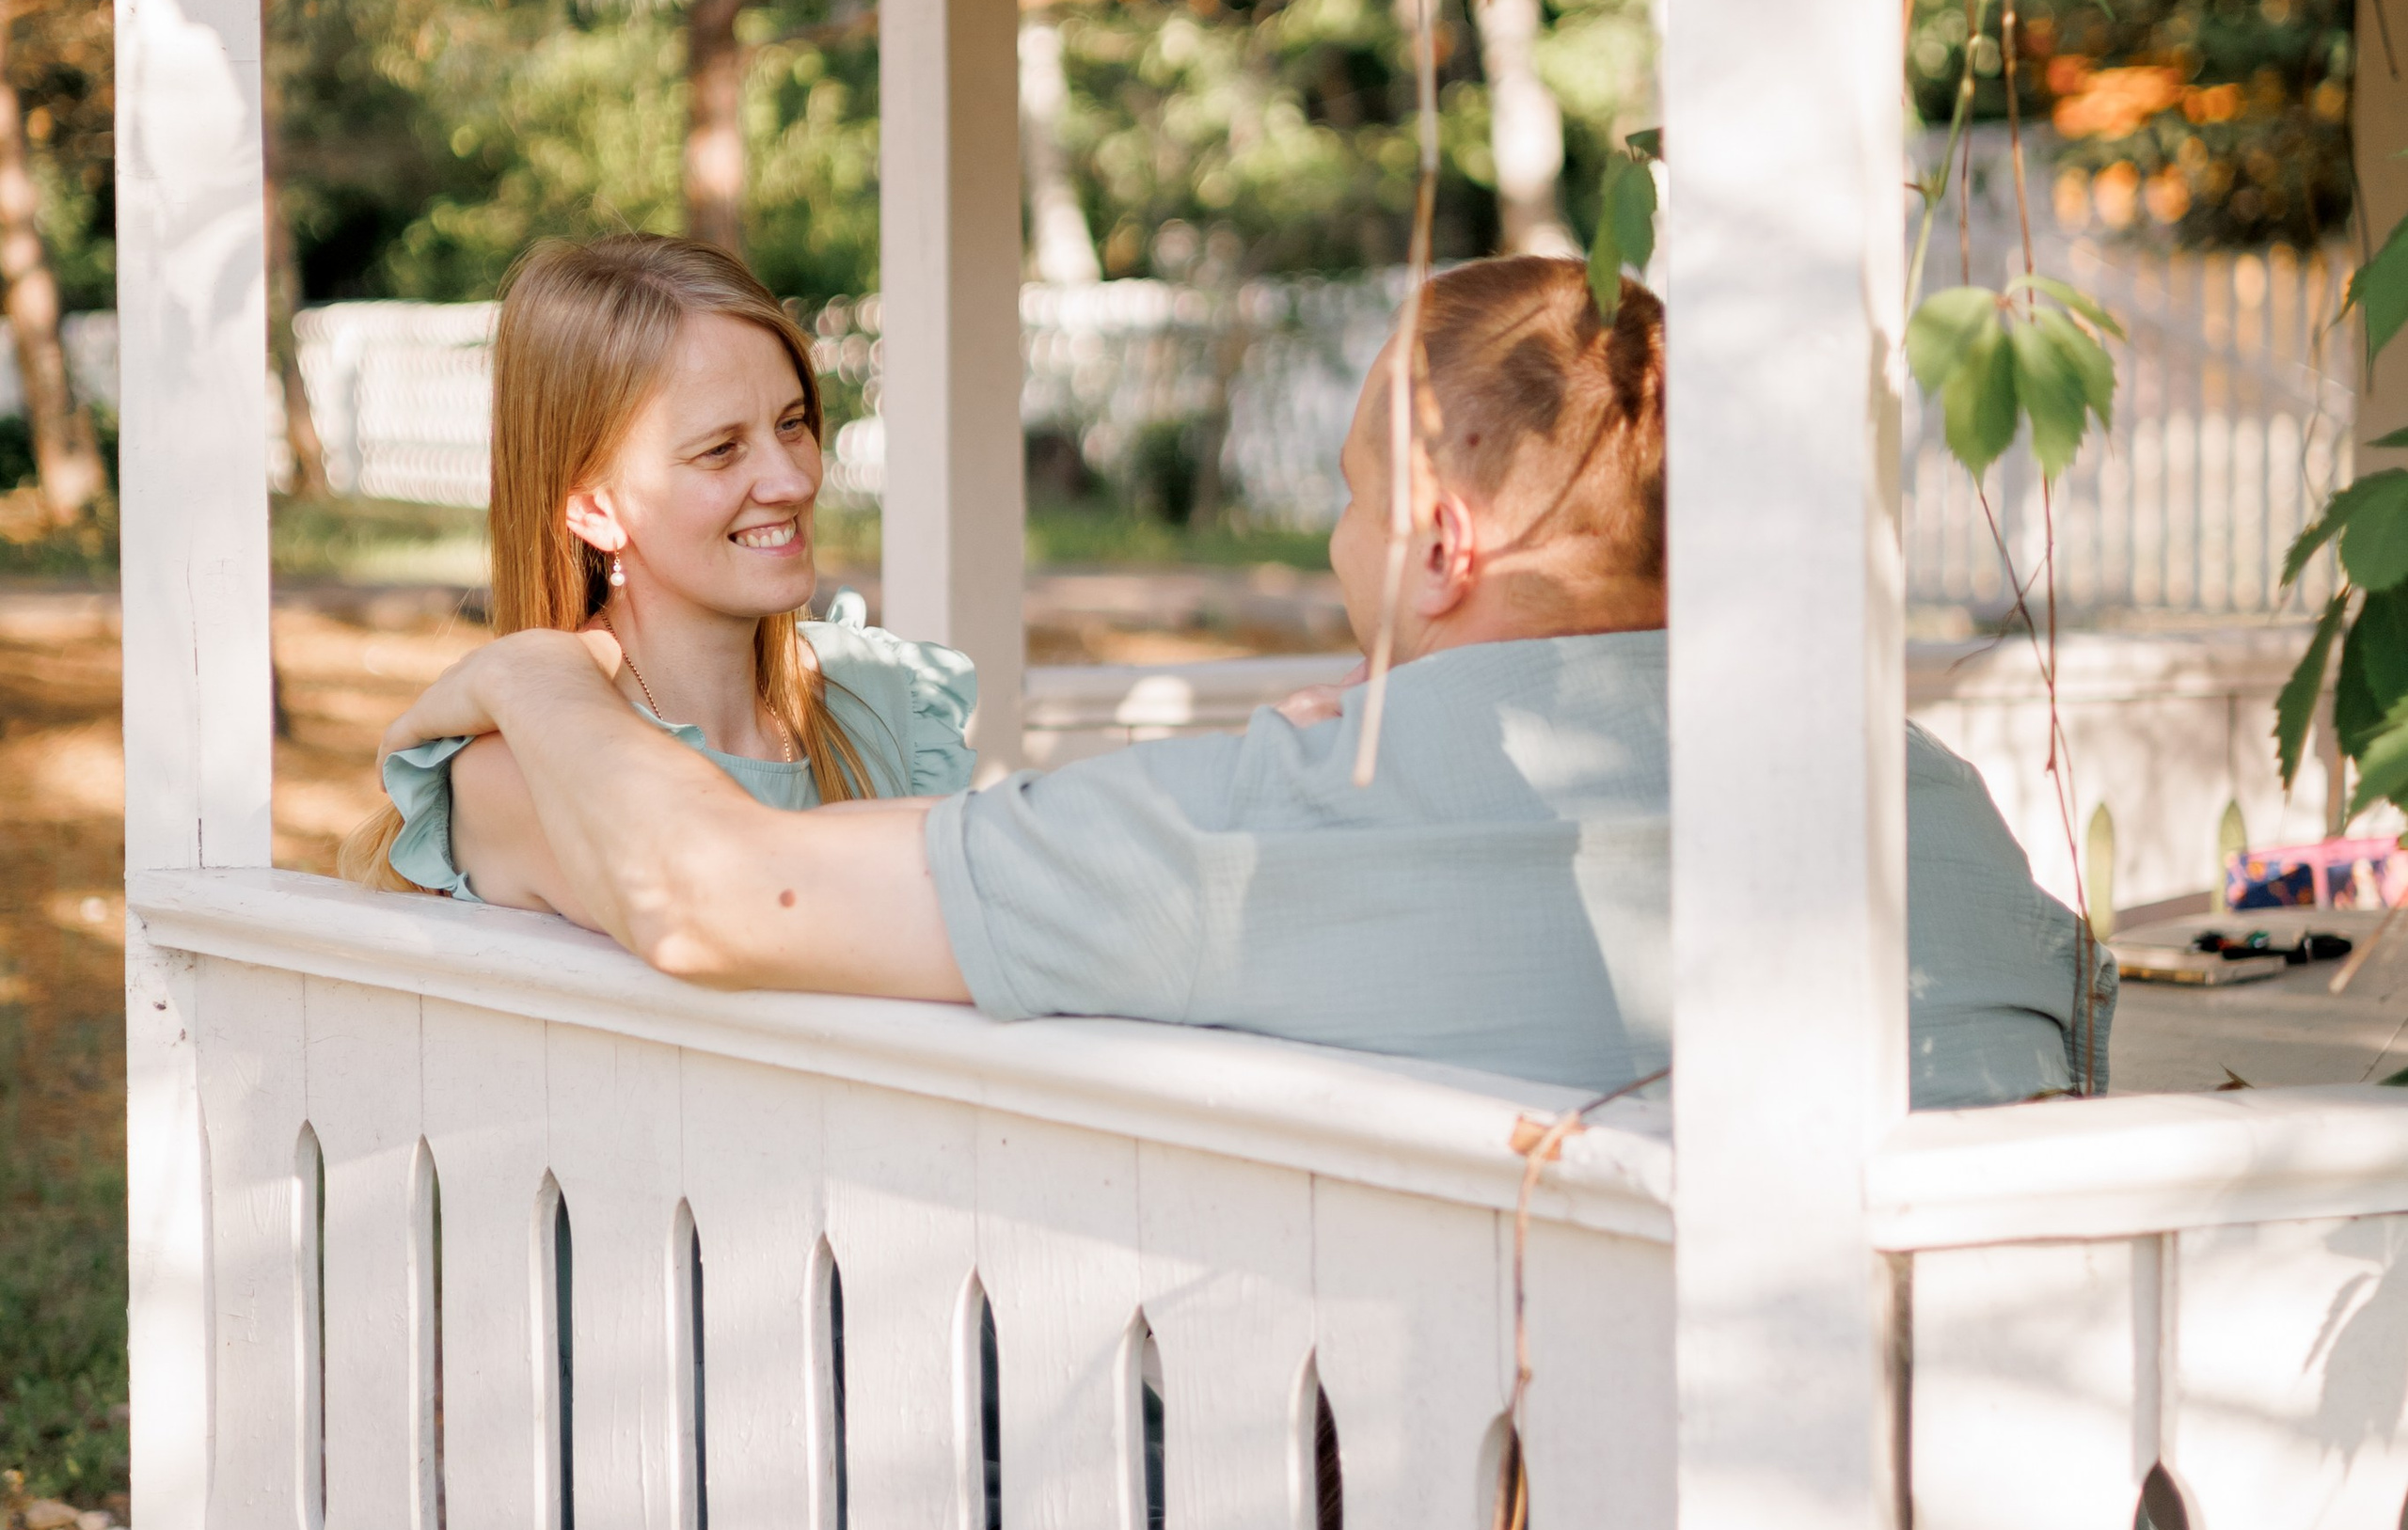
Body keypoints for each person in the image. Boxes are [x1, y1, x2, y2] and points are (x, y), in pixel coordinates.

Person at [370, 257, 2111, 1106]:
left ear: (1436, 546)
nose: (785, 475)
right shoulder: (1938, 809)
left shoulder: (1277, 837)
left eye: (1354, 505)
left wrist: (527, 670)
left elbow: (714, 895)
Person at [341, 234, 974, 911]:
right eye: (721, 450)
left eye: (792, 423)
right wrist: (522, 675)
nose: (792, 480)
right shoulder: (520, 768)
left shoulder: (881, 698)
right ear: (593, 510)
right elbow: (723, 907)